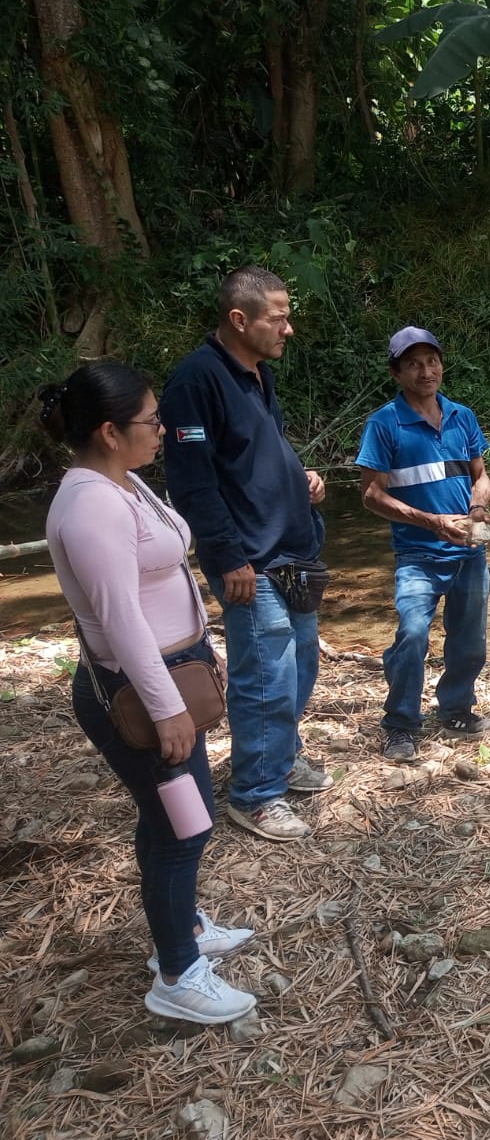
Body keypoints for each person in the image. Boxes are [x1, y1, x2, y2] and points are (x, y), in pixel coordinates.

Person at [41, 363, 257, 1024]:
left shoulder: (123, 482)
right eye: (151, 421)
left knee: (169, 818)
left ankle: (181, 926)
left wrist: (205, 650)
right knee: (183, 827)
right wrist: (167, 709)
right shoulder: (91, 505)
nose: (163, 429)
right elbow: (120, 620)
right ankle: (177, 974)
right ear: (110, 432)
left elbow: (165, 584)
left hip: (171, 674)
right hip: (136, 694)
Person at [161, 265, 332, 842]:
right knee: (265, 675)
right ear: (240, 319)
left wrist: (299, 476)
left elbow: (256, 451)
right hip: (249, 560)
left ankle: (279, 757)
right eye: (278, 319)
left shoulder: (257, 373)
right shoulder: (196, 381)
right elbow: (192, 483)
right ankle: (255, 794)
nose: (288, 329)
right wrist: (227, 556)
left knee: (300, 663)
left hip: (292, 548)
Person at [355, 327, 490, 763]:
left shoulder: (461, 416)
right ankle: (400, 724)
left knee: (470, 641)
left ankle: (456, 710)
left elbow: (480, 475)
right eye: (413, 364)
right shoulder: (384, 424)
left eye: (431, 361)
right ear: (396, 372)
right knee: (413, 634)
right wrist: (431, 521)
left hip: (469, 551)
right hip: (417, 554)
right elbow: (371, 495)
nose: (426, 371)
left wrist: (478, 506)